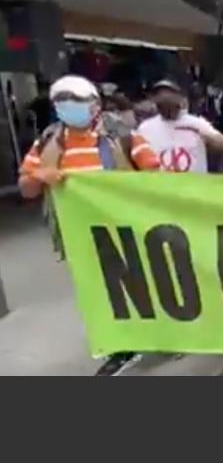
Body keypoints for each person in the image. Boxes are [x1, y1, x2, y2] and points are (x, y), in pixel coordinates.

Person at [17, 75, 160, 377]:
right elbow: (26, 187)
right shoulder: (48, 142)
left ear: (95, 105)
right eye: (62, 103)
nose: (70, 108)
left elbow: (155, 175)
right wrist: (42, 175)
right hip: (79, 234)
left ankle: (157, 334)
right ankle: (121, 346)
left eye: (77, 102)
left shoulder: (122, 135)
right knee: (100, 291)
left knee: (140, 283)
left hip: (124, 227)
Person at [138, 80, 223, 175]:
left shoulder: (196, 123)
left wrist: (201, 133)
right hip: (161, 187)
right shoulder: (145, 128)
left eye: (169, 96)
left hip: (194, 186)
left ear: (179, 99)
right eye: (161, 97)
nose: (165, 99)